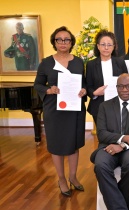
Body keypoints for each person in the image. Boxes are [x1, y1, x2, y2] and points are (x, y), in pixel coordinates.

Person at [34, 26, 87, 197]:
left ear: (71, 42)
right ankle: (61, 178)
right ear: (54, 42)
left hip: (74, 108)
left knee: (74, 143)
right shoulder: (46, 63)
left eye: (67, 39)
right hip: (54, 110)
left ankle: (73, 176)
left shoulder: (79, 62)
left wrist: (84, 90)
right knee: (57, 145)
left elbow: (84, 83)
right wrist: (49, 90)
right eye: (59, 39)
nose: (63, 42)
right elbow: (38, 85)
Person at [90, 73, 129, 210]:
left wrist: (123, 145)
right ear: (116, 87)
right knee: (100, 165)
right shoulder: (105, 106)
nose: (125, 90)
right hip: (108, 146)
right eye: (121, 86)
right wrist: (125, 137)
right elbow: (102, 133)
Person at [86, 30, 128, 124]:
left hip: (118, 104)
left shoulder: (120, 62)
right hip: (98, 106)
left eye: (109, 45)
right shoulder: (91, 64)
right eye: (103, 44)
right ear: (98, 46)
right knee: (102, 136)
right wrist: (94, 93)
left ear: (113, 47)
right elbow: (88, 86)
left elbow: (127, 82)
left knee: (117, 135)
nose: (106, 47)